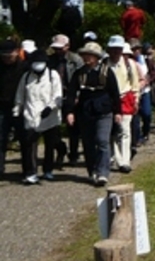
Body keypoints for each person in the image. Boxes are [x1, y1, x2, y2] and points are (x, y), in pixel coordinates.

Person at [67, 42, 121, 186]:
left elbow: (115, 93)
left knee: (102, 140)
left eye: (90, 55)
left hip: (104, 111)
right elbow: (71, 94)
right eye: (85, 55)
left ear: (97, 57)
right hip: (85, 112)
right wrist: (70, 112)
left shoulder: (107, 72)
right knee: (88, 144)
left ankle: (103, 173)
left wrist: (118, 112)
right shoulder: (79, 73)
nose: (87, 58)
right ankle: (92, 171)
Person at [12, 50, 63, 183]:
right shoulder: (27, 77)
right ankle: (31, 172)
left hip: (49, 116)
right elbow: (20, 96)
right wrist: (17, 111)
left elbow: (57, 95)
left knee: (50, 144)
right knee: (30, 144)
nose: (38, 65)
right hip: (31, 114)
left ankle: (48, 170)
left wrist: (50, 107)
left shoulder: (53, 75)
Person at [48, 34, 82, 166]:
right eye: (55, 48)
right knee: (54, 127)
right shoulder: (50, 60)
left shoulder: (76, 60)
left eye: (60, 48)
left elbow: (81, 78)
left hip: (71, 95)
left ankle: (73, 154)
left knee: (72, 127)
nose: (58, 51)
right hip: (54, 96)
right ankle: (60, 149)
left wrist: (78, 96)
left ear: (67, 47)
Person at [106, 35, 139, 173]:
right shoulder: (104, 64)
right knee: (112, 132)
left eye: (118, 49)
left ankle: (125, 162)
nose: (115, 52)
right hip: (109, 100)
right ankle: (117, 158)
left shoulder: (128, 63)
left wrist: (136, 99)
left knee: (125, 130)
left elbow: (135, 83)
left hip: (125, 98)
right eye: (113, 49)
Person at [0, 39, 27, 178]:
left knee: (24, 138)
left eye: (9, 55)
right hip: (2, 107)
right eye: (3, 55)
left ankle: (27, 170)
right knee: (1, 138)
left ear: (17, 53)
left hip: (20, 107)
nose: (6, 58)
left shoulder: (24, 68)